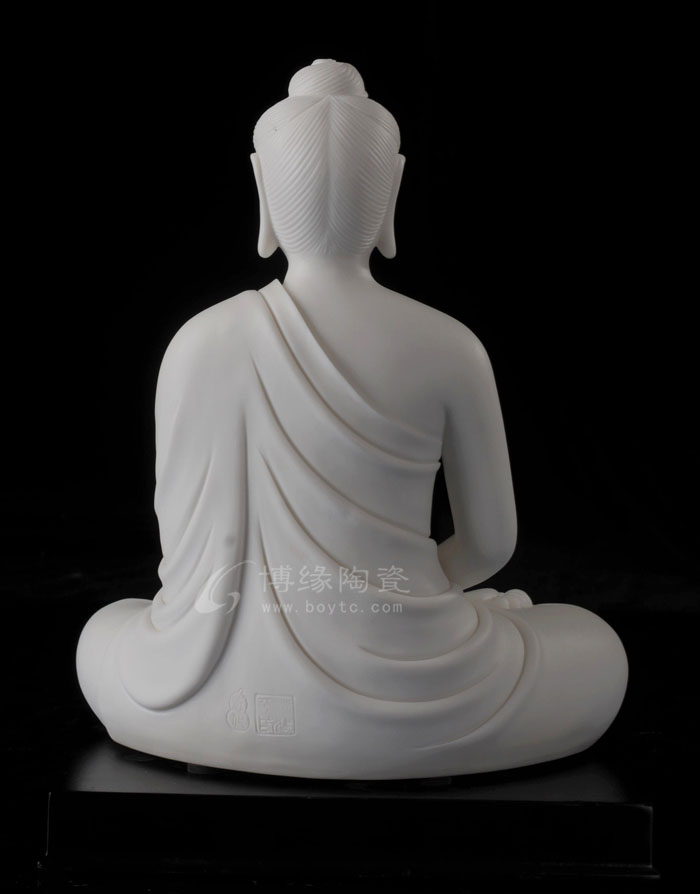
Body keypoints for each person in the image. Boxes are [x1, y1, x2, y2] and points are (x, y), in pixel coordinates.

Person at [76, 59, 627, 779]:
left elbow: (182, 560)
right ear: (390, 189)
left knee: (103, 633)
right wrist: (412, 598)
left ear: (263, 189)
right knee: (595, 649)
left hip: (200, 688)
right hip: (418, 696)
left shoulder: (196, 341)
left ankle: (220, 723)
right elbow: (490, 545)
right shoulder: (449, 346)